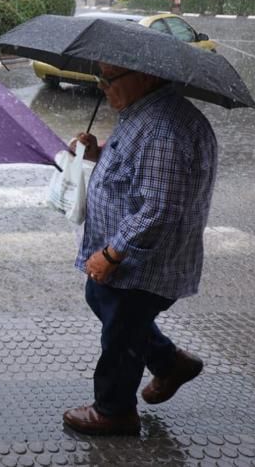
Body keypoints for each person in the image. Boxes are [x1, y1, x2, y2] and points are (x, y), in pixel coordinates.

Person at [62, 62, 217, 436]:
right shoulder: (144, 111)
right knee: (103, 300)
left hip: (142, 262)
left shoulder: (163, 129)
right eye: (99, 78)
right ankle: (169, 362)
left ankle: (114, 411)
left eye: (108, 79)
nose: (102, 87)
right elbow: (136, 172)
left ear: (144, 75)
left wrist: (112, 253)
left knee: (120, 332)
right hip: (133, 258)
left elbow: (158, 207)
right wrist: (97, 153)